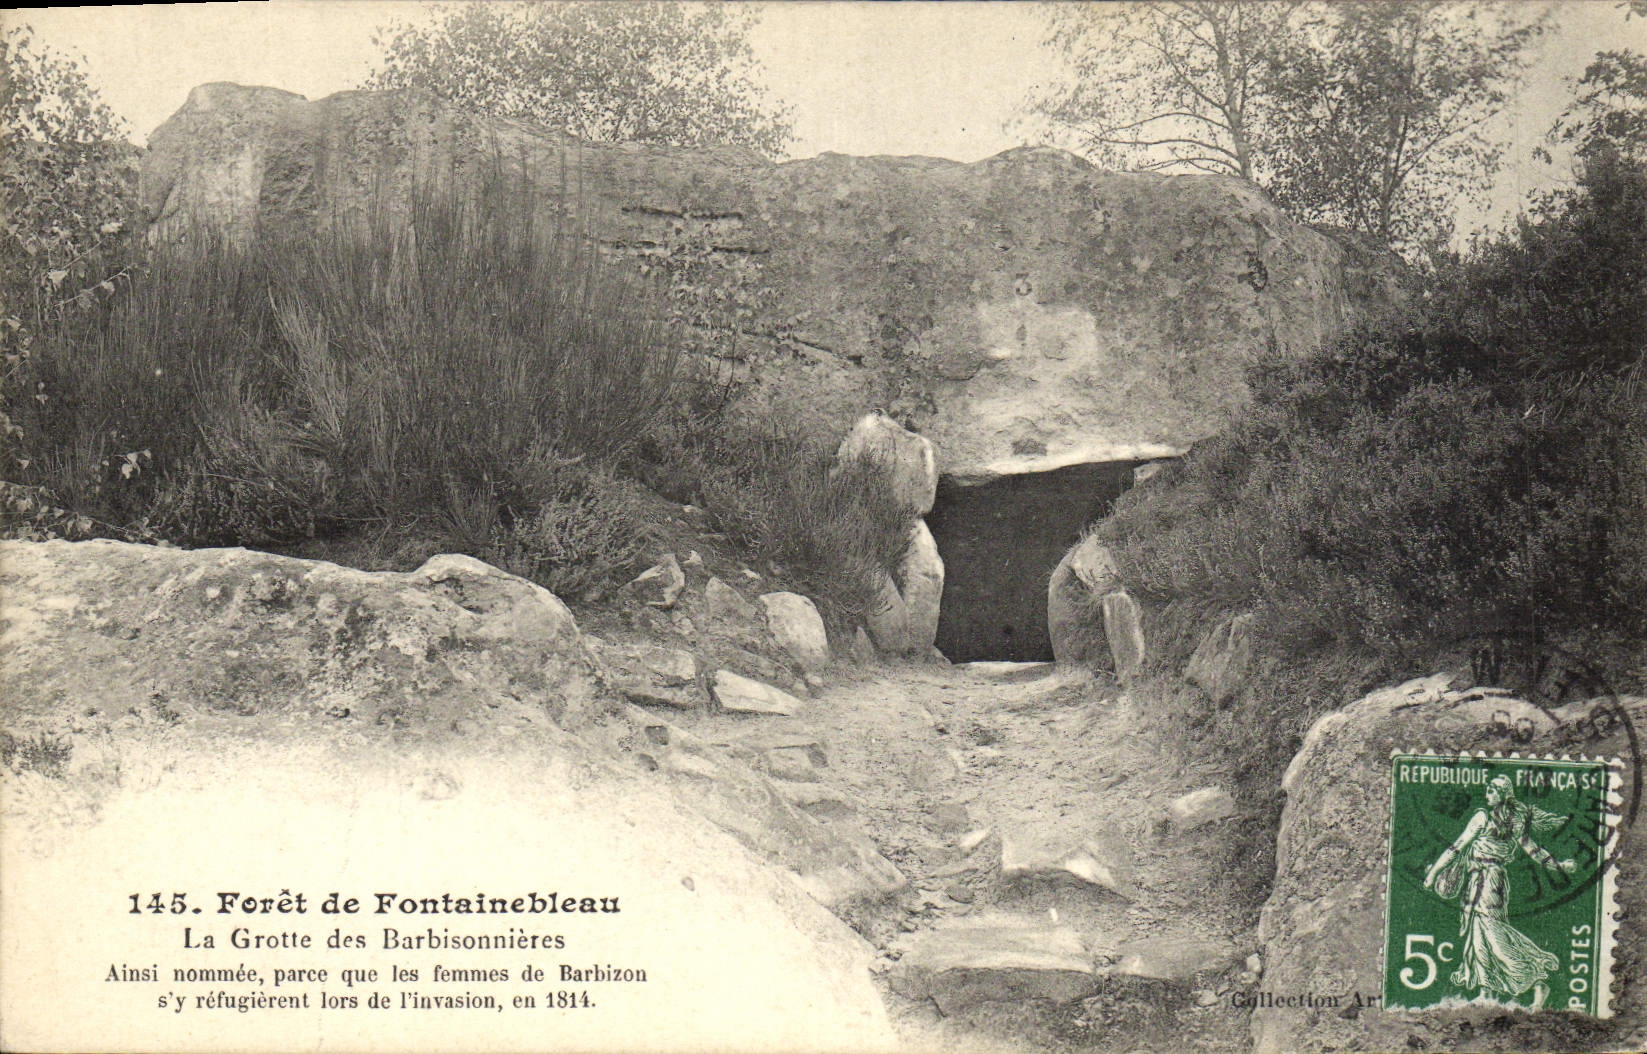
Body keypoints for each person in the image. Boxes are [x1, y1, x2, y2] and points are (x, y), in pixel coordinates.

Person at [1423, 774, 1577, 1008]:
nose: (1488, 793)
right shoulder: (1491, 818)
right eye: (1487, 789)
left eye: (1493, 790)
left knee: (1493, 934)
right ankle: (1487, 992)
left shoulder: (1495, 819)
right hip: (1480, 879)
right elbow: (1459, 847)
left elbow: (1531, 849)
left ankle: (1536, 983)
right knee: (1478, 935)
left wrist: (1433, 874)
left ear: (1505, 795)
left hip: (1490, 881)